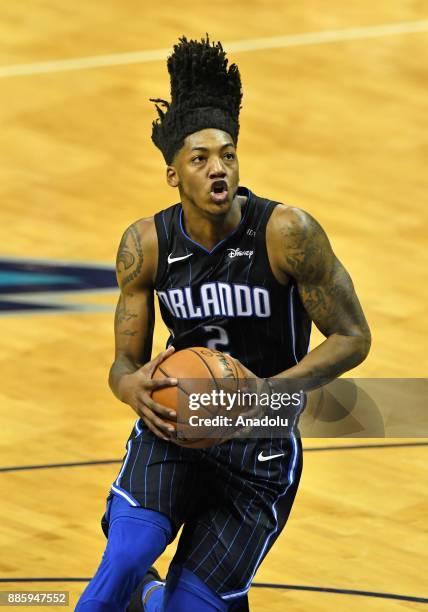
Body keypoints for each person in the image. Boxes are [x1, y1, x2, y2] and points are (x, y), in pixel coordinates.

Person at [76, 36, 371, 612]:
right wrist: (127, 386)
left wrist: (270, 390)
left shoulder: (287, 233)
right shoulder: (147, 244)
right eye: (201, 159)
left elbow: (354, 336)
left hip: (258, 445)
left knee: (191, 608)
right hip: (175, 429)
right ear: (173, 174)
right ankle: (147, 575)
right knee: (125, 559)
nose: (219, 169)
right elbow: (124, 365)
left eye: (228, 155)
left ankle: (172, 598)